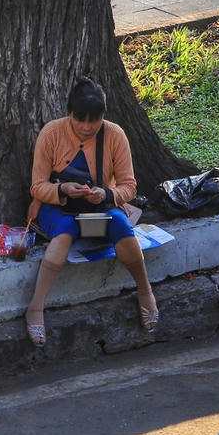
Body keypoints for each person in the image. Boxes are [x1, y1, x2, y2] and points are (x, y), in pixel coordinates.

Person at [24, 77, 158, 346]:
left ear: (103, 117)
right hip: (59, 210)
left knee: (121, 227)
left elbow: (129, 186)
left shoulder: (115, 135)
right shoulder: (51, 133)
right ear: (69, 114)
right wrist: (62, 190)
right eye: (79, 120)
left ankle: (145, 291)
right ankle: (35, 308)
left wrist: (106, 194)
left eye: (93, 121)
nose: (86, 127)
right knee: (65, 232)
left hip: (97, 211)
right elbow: (37, 186)